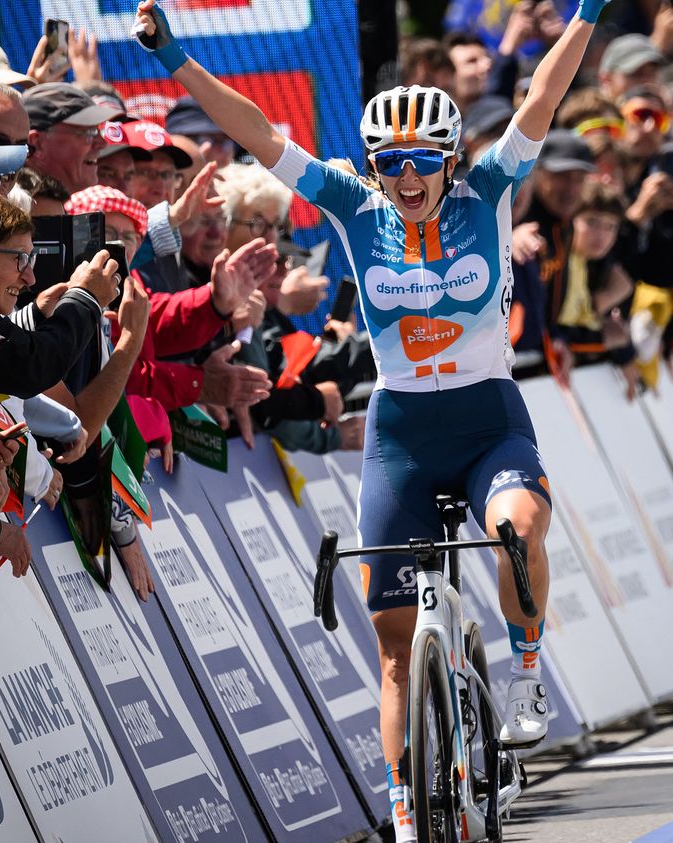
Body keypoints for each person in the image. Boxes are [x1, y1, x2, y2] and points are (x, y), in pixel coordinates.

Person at [131, 1, 608, 839]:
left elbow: (540, 96)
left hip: (486, 418)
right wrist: (173, 58)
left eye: (424, 159)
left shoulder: (488, 188)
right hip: (399, 435)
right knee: (392, 646)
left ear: (451, 159)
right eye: (392, 160)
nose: (408, 174)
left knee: (516, 525)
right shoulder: (356, 206)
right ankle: (405, 804)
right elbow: (254, 131)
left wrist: (588, 14)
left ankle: (526, 666)